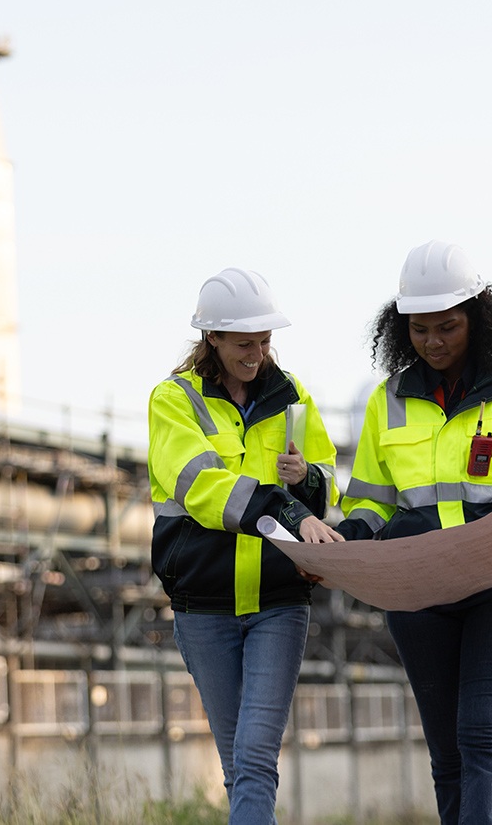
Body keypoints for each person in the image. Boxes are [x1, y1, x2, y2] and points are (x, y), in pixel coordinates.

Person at [338, 240, 492, 825]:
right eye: (419, 330)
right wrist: (341, 541)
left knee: (484, 734)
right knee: (448, 752)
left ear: (477, 317)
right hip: (417, 588)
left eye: (447, 326)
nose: (434, 341)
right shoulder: (386, 400)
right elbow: (371, 499)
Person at [148, 267, 343, 825]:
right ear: (212, 338)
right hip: (204, 607)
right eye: (243, 344)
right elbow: (201, 486)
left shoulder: (293, 397)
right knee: (238, 764)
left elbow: (324, 487)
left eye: (263, 342)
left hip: (278, 601)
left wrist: (306, 479)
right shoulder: (174, 400)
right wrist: (283, 506)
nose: (256, 354)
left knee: (256, 756)